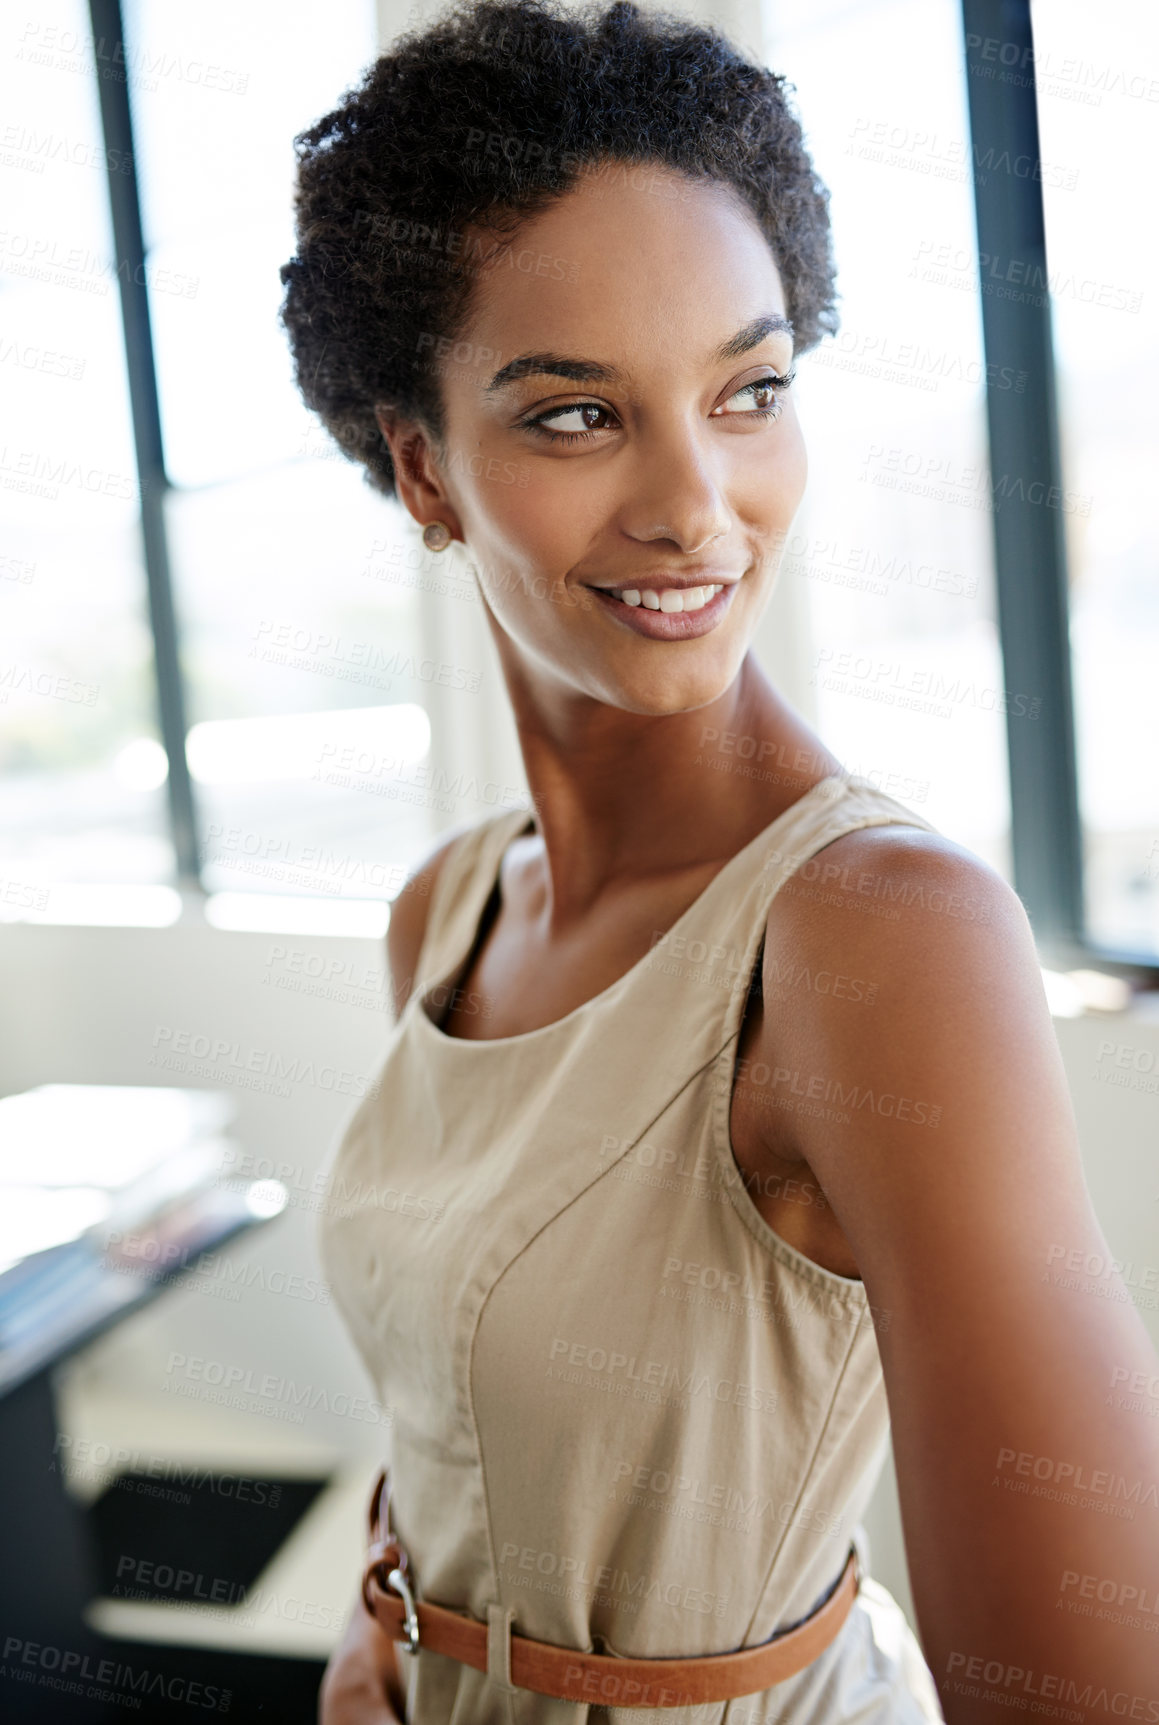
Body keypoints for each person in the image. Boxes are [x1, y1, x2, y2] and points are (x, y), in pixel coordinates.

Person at [279, 1, 1159, 1718]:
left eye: (750, 389)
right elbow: (457, 1403)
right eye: (574, 416)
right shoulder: (445, 909)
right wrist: (381, 1629)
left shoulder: (881, 935)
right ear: (421, 468)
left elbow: (1085, 1668)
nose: (697, 503)